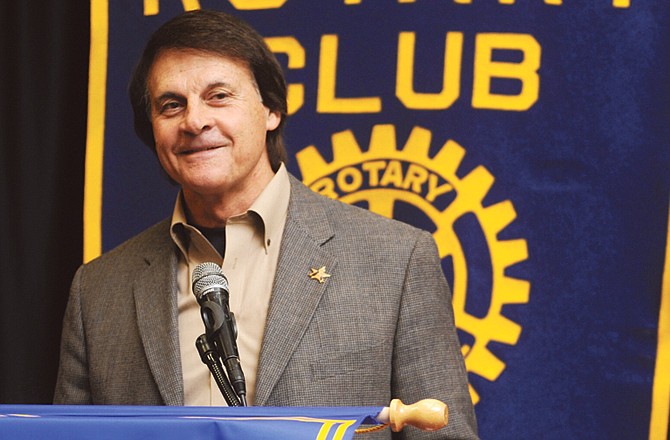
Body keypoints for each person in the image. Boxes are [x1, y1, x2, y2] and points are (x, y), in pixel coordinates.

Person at [54, 9, 478, 439]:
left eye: (219, 96)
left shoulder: (396, 261)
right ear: (153, 130)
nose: (194, 121)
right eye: (171, 105)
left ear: (271, 109)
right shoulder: (98, 291)